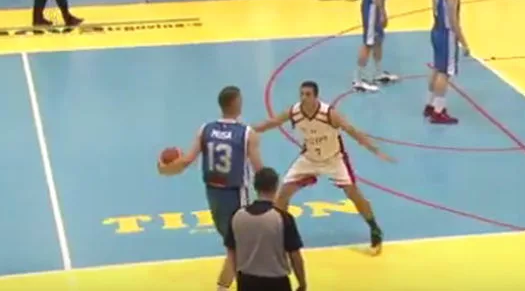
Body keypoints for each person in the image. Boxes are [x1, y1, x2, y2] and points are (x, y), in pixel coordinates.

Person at [253, 81, 395, 255]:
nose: (304, 98)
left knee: (354, 194)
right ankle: (280, 234)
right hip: (309, 159)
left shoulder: (329, 113)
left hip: (334, 159)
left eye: (308, 94)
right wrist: (249, 129)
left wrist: (374, 149)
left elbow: (351, 130)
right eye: (302, 94)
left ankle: (374, 228)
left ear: (316, 96)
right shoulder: (294, 111)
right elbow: (273, 122)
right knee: (283, 194)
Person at [157, 86, 264, 291]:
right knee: (239, 248)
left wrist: (164, 169)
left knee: (235, 246)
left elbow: (186, 161)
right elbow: (259, 170)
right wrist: (268, 198)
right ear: (237, 103)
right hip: (237, 195)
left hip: (213, 195)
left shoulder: (205, 129)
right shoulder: (246, 133)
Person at [225, 168, 306, 291]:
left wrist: (239, 277)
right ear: (276, 187)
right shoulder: (282, 218)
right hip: (276, 283)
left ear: (255, 187)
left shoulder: (237, 216)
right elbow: (295, 256)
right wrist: (302, 283)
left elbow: (232, 253)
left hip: (246, 281)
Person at [424, 0, 469, 124]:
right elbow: (453, 20)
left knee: (437, 68)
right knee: (445, 73)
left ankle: (430, 105)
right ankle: (438, 111)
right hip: (447, 34)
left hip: (436, 29)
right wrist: (464, 42)